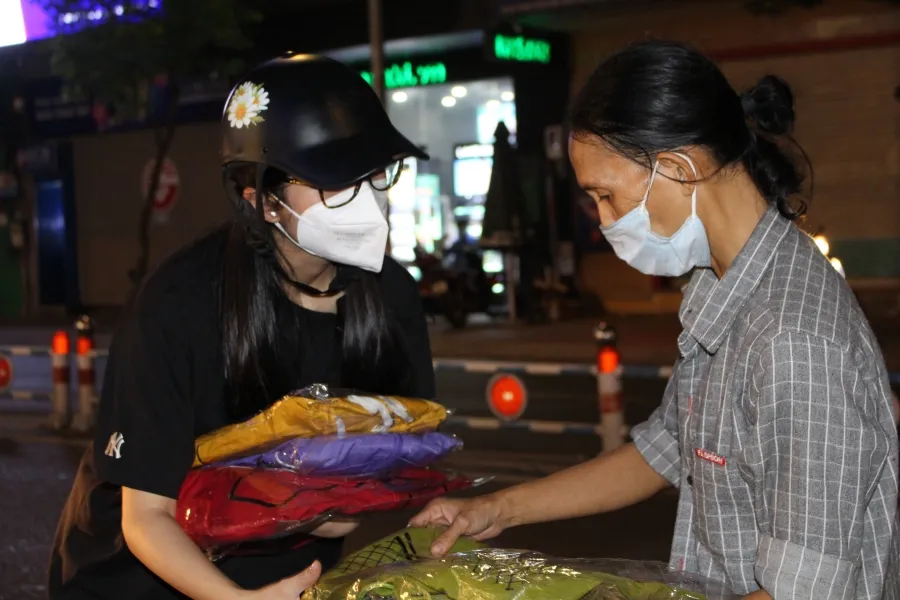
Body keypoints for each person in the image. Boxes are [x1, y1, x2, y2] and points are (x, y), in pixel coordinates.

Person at [411, 41, 899, 600]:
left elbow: (803, 593)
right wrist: (496, 509)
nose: (603, 222)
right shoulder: (723, 286)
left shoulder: (793, 339)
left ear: (677, 169)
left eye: (606, 196)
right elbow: (665, 448)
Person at [49, 54, 434, 600]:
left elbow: (392, 455)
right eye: (336, 182)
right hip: (141, 582)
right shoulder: (179, 304)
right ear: (263, 199)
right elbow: (146, 518)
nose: (368, 200)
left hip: (288, 582)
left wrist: (339, 504)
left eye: (375, 174)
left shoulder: (392, 298)